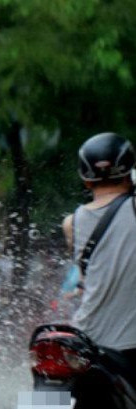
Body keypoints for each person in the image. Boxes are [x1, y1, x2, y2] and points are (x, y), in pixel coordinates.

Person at [62, 132, 136, 360]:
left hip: (84, 340)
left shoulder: (71, 223)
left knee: (52, 385)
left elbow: (85, 279)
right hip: (129, 346)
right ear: (129, 172)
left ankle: (20, 399)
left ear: (86, 180)